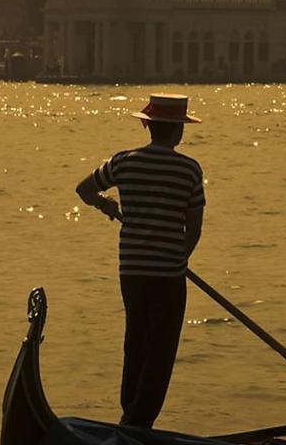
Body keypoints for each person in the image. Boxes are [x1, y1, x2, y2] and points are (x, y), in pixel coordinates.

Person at [75, 93, 205, 428]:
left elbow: (84, 190)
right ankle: (137, 424)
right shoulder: (189, 170)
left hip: (131, 270)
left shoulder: (123, 162)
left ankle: (129, 413)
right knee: (160, 351)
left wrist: (106, 205)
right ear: (178, 131)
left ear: (147, 125)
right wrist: (179, 259)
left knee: (136, 342)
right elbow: (194, 228)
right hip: (168, 273)